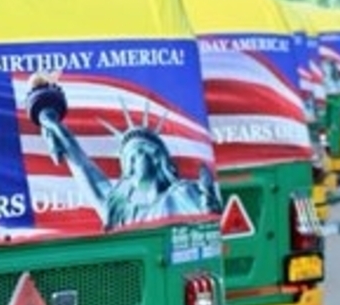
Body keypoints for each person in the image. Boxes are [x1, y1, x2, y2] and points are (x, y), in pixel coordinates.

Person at [26, 71, 221, 230]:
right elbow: (84, 167)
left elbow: (208, 225)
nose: (131, 165)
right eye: (128, 159)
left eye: (138, 153)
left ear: (156, 159)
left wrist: (209, 204)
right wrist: (52, 122)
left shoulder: (181, 194)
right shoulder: (120, 211)